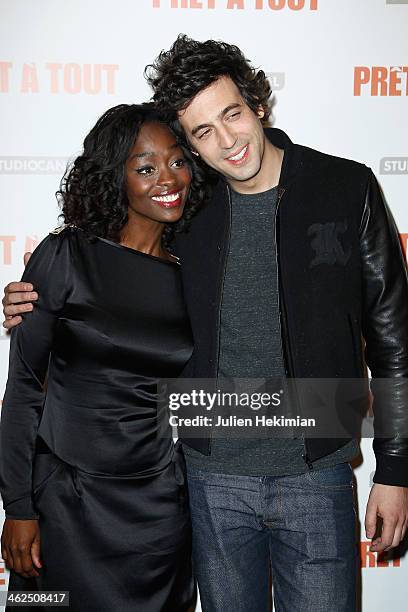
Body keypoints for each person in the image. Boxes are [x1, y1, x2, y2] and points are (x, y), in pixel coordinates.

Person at [4, 36, 408, 612]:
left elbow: (394, 341)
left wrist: (395, 468)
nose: (227, 141)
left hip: (315, 476)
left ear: (258, 103)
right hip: (207, 479)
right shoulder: (189, 210)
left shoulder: (344, 188)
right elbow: (109, 256)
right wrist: (31, 294)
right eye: (201, 132)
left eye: (232, 114)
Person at [0, 102, 209, 611]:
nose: (168, 178)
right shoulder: (66, 254)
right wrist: (18, 507)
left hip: (158, 509)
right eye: (144, 167)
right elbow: (25, 386)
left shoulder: (197, 273)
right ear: (113, 178)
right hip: (65, 501)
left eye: (178, 160)